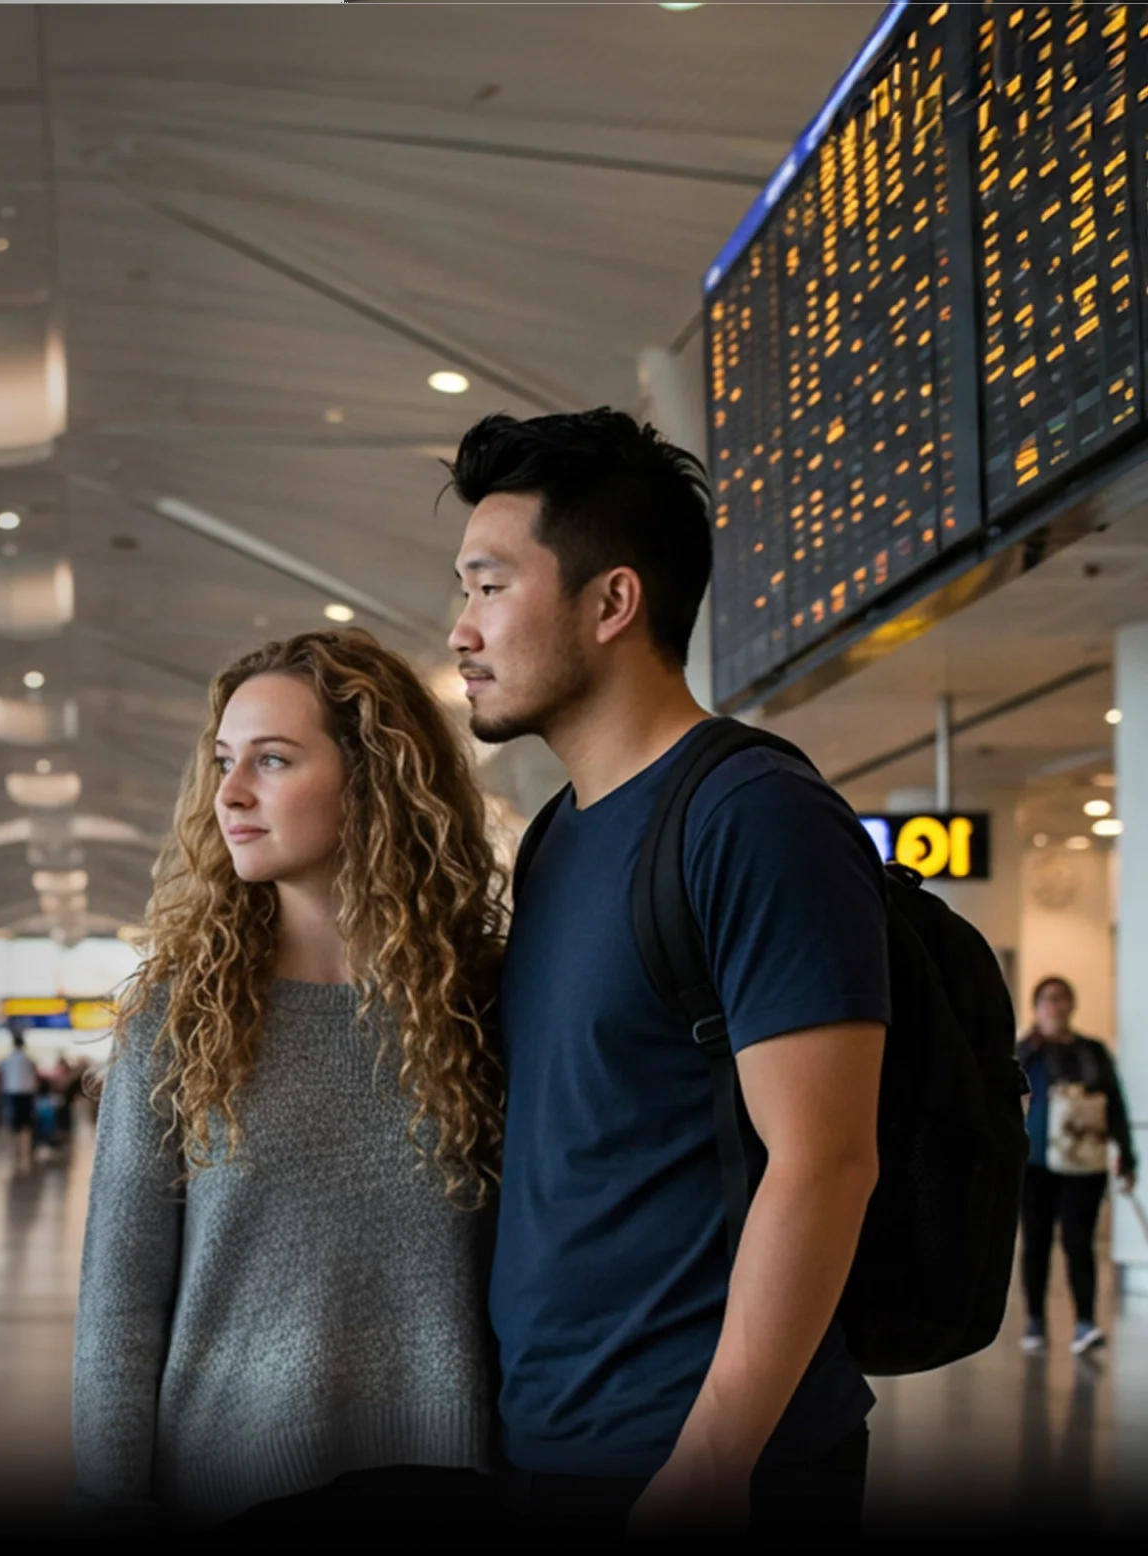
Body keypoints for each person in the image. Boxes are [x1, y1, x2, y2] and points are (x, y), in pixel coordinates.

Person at [448, 410, 886, 1535]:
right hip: (551, 1439)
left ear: (611, 602)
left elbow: (826, 1157)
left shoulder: (749, 815)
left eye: (490, 586)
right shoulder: (555, 836)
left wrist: (710, 1458)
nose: (461, 628)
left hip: (705, 1461)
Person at [72, 630, 507, 1530]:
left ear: (372, 776)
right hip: (233, 1492)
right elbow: (120, 1305)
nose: (229, 793)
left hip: (450, 1484)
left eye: (272, 761)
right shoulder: (177, 1020)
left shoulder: (484, 1004)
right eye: (226, 761)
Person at [1017, 976, 1134, 1356]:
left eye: (1064, 998)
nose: (1057, 1006)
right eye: (1049, 999)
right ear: (1037, 1007)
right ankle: (1035, 1318)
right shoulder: (1024, 1053)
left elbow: (1114, 1103)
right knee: (1036, 1242)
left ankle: (1085, 1320)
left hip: (1084, 1164)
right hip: (1034, 1164)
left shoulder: (1093, 1052)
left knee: (1078, 1242)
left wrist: (1126, 1155)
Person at [0, 1032, 39, 1170]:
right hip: (27, 1093)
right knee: (26, 1122)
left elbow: (2, 1077)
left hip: (11, 1092)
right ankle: (25, 1148)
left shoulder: (7, 1060)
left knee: (14, 1121)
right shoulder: (29, 1060)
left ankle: (16, 1148)